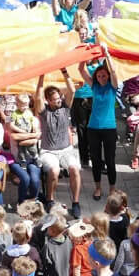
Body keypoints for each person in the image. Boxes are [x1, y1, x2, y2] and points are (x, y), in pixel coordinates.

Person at [35, 71, 82, 218]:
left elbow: (72, 90)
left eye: (59, 98)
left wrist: (65, 71)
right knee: (54, 171)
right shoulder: (44, 111)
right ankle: (50, 200)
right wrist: (41, 76)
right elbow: (37, 96)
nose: (59, 101)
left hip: (66, 150)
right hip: (48, 151)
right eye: (55, 99)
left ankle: (75, 203)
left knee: (74, 169)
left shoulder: (65, 107)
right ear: (48, 100)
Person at [79, 55, 121, 200]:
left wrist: (107, 54)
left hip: (109, 128)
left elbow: (114, 72)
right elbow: (81, 69)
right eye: (99, 76)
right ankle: (97, 188)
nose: (101, 78)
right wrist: (85, 54)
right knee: (96, 160)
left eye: (104, 76)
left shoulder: (113, 86)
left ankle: (112, 189)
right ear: (96, 77)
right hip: (93, 128)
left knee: (110, 160)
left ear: (108, 76)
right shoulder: (94, 86)